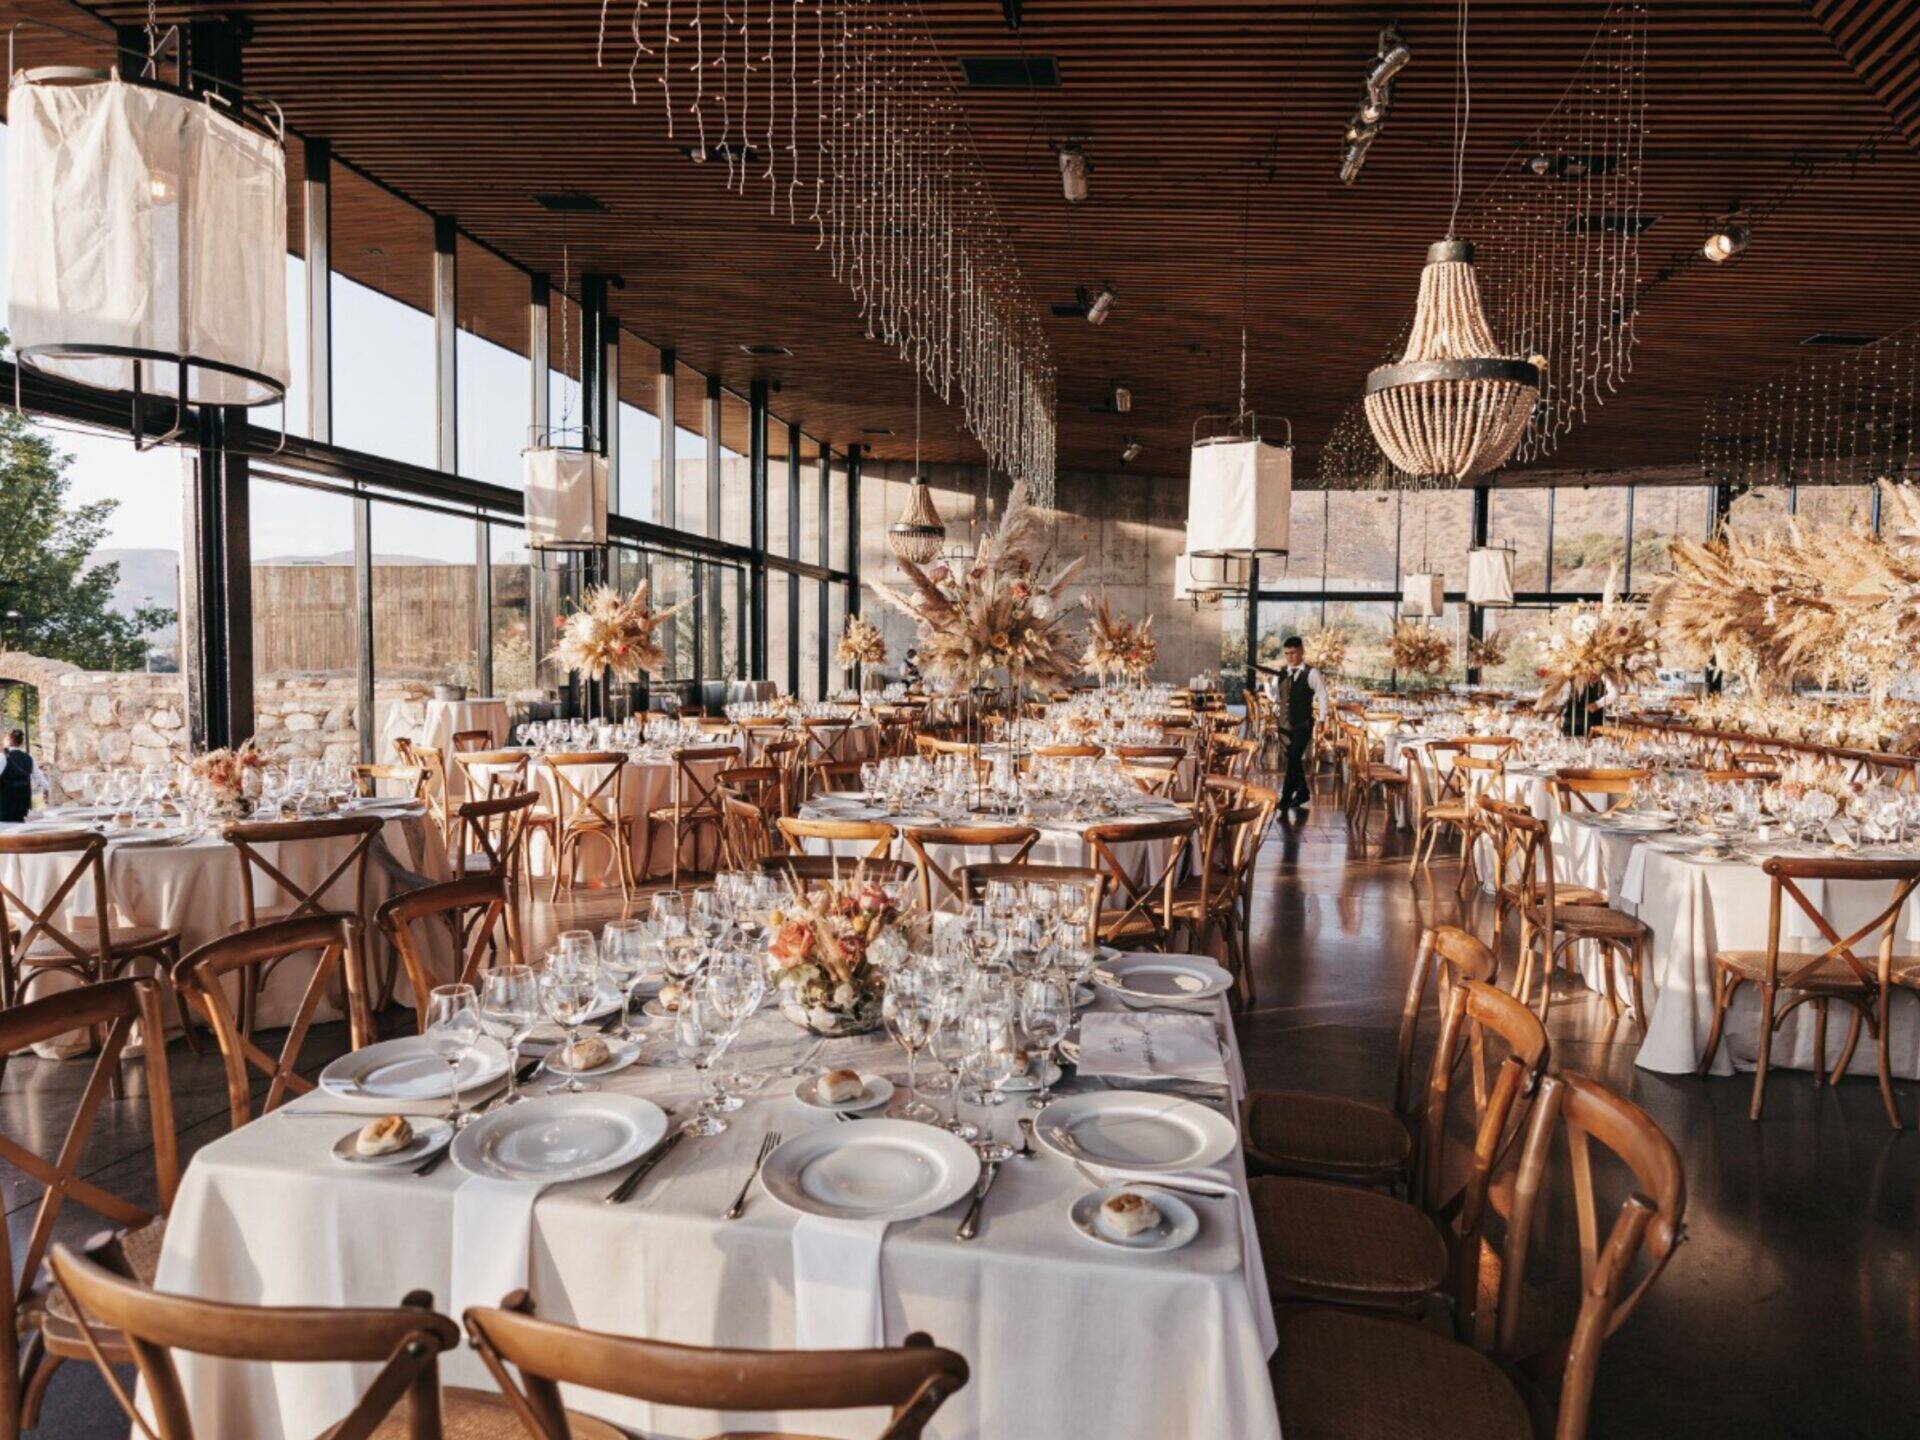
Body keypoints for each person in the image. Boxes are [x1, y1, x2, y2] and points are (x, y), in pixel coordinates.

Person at [1266, 637, 1329, 816]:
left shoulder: (1311, 673)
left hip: (1303, 724)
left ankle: (1285, 799)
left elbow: (1322, 696)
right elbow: (1275, 697)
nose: (1290, 657)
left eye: (1293, 653)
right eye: (1287, 653)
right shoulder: (1282, 672)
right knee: (1293, 761)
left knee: (1293, 758)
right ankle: (1303, 792)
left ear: (1301, 651)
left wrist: (1322, 720)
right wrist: (1267, 682)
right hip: (1284, 725)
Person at [0, 730, 33, 823]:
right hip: (23, 799)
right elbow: (40, 778)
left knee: (5, 826)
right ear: (21, 742)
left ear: (9, 740)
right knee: (19, 824)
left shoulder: (3, 756)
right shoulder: (29, 758)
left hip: (6, 800)